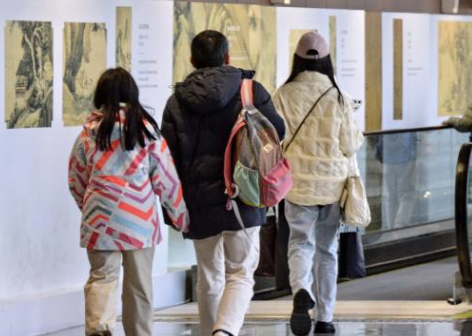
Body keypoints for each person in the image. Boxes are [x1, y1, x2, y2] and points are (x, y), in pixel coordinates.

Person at [161, 30, 285, 336]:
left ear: (191, 60)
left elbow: (169, 158)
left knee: (209, 276)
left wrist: (173, 209)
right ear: (227, 57)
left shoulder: (177, 101)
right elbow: (277, 132)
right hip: (244, 195)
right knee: (241, 273)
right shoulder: (250, 91)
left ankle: (210, 332)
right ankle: (225, 331)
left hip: (198, 203)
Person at [68, 68, 189, 336]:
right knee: (139, 286)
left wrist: (89, 207)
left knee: (102, 279)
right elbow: (166, 178)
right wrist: (180, 216)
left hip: (99, 220)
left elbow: (76, 178)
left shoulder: (89, 132)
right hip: (139, 220)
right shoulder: (145, 130)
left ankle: (99, 330)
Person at [273, 32, 364, 336]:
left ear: (297, 59)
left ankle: (301, 290)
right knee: (327, 250)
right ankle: (325, 317)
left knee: (300, 242)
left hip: (296, 184)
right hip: (332, 185)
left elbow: (275, 141)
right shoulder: (338, 96)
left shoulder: (283, 95)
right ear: (326, 60)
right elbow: (350, 144)